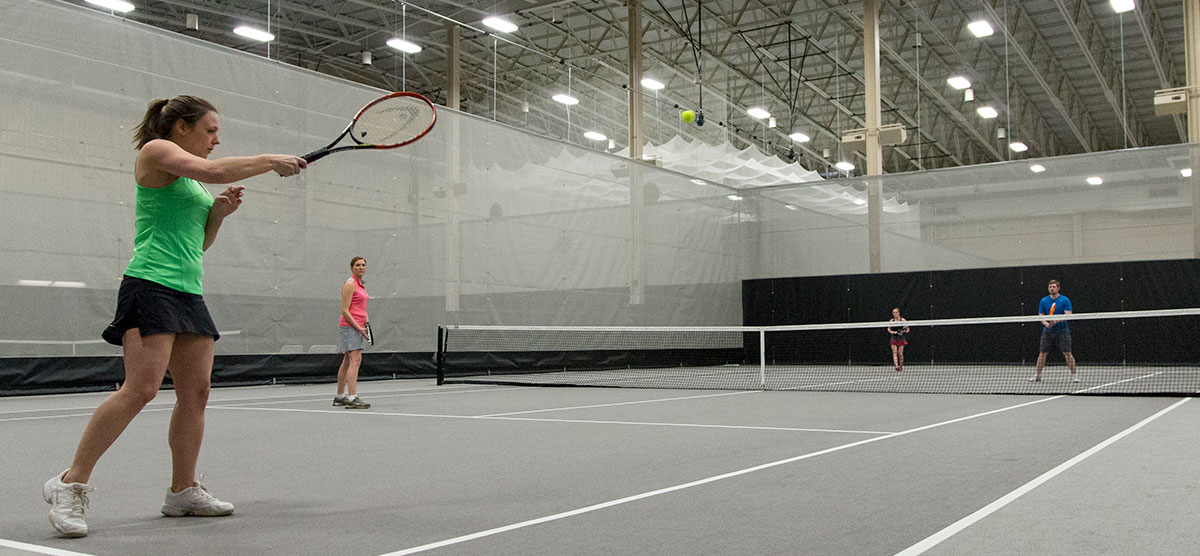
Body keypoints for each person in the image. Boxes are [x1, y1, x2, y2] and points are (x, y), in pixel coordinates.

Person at [42, 96, 306, 538]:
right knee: (140, 390)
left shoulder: (194, 186)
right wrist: (269, 160)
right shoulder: (156, 153)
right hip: (150, 285)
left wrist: (217, 214)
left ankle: (182, 491)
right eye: (210, 130)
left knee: (196, 393)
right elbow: (215, 170)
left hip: (188, 291)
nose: (216, 140)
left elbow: (197, 245)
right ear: (181, 127)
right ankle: (70, 484)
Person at [333, 256, 371, 409]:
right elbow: (345, 311)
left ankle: (340, 396)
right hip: (350, 327)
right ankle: (352, 397)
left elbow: (361, 309)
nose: (361, 267)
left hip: (358, 326)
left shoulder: (361, 286)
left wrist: (366, 323)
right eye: (357, 265)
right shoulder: (349, 285)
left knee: (347, 361)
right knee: (355, 360)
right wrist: (358, 328)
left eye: (363, 265)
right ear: (352, 268)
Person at [1030, 279, 1079, 383]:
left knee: (1067, 353)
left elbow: (1068, 315)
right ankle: (1037, 375)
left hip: (1063, 331)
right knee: (1042, 353)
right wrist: (1046, 323)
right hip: (1048, 331)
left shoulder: (1065, 300)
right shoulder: (1043, 301)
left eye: (1053, 287)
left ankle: (1074, 375)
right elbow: (1041, 316)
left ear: (1058, 288)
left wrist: (1056, 321)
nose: (1052, 289)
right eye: (1050, 287)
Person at [887, 307, 910, 372]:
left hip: (901, 338)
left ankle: (901, 366)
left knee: (900, 354)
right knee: (894, 352)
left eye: (896, 312)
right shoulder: (891, 321)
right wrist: (892, 332)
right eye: (894, 312)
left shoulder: (903, 320)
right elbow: (889, 328)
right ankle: (896, 366)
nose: (895, 313)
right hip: (894, 337)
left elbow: (907, 328)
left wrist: (905, 331)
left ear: (899, 313)